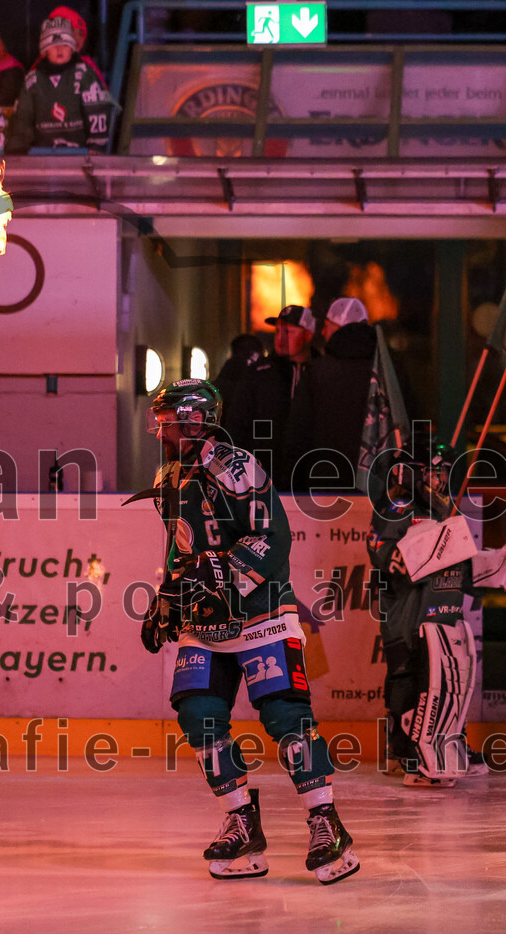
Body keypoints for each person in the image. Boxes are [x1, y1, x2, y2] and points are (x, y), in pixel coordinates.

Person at [134, 378, 359, 884]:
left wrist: (217, 578)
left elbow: (271, 537)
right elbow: (182, 549)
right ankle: (241, 818)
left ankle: (326, 822)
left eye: (168, 420)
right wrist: (170, 595)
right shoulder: (169, 477)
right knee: (199, 714)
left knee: (285, 715)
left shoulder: (237, 466)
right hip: (207, 621)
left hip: (261, 614)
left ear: (196, 420)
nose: (160, 429)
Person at [367, 434, 506, 785]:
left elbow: (459, 570)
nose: (440, 480)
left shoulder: (444, 512)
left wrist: (501, 563)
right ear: (410, 473)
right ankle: (403, 752)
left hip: (443, 614)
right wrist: (428, 542)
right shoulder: (397, 508)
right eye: (432, 472)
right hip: (406, 618)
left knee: (448, 682)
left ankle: (449, 739)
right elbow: (390, 558)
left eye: (444, 472)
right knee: (407, 681)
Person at [284, 297, 376, 492]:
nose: (323, 332)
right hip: (376, 487)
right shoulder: (385, 372)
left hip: (323, 489)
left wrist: (295, 487)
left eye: (327, 326)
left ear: (339, 327)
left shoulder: (317, 372)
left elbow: (298, 434)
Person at [225, 304, 316, 489]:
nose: (281, 338)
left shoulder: (321, 372)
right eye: (278, 331)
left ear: (308, 335)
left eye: (289, 332)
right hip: (263, 478)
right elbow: (237, 425)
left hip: (311, 480)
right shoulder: (259, 374)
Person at [4, 16, 112, 154]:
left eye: (65, 45)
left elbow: (97, 109)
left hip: (80, 154)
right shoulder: (33, 80)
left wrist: (96, 144)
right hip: (42, 155)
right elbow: (23, 116)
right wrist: (18, 146)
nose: (59, 49)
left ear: (72, 48)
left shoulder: (84, 75)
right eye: (53, 45)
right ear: (45, 50)